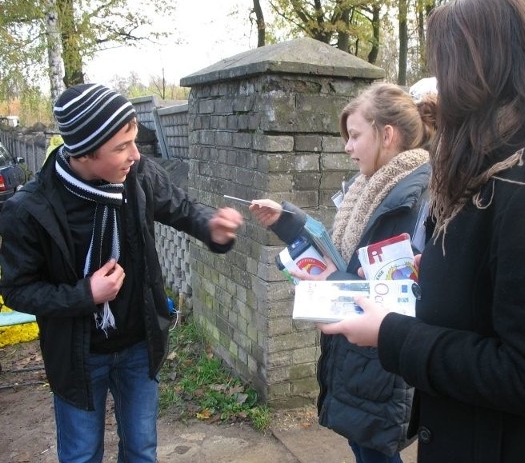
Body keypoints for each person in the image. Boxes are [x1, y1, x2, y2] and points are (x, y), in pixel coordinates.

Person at [318, 0, 525, 462]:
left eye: (447, 66)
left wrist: (390, 334)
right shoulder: (488, 171)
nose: (440, 90)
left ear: (481, 71)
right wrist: (432, 270)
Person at [0, 83, 244, 463]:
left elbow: (180, 207)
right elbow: (18, 291)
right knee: (81, 455)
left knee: (142, 451)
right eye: (121, 147)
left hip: (136, 345)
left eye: (134, 141)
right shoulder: (28, 210)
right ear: (84, 151)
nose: (136, 155)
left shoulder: (138, 176)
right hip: (77, 358)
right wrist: (86, 294)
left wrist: (211, 226)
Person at [250, 82, 435, 463]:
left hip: (381, 362)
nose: (347, 147)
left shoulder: (414, 199)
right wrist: (288, 223)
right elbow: (341, 255)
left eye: (354, 136)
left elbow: (401, 295)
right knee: (362, 448)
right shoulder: (368, 189)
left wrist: (332, 286)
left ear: (387, 134)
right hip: (358, 356)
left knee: (374, 453)